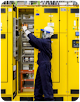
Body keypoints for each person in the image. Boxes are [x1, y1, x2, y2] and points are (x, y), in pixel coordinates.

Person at [22, 26, 54, 102]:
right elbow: (34, 43)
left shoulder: (45, 42)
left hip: (44, 65)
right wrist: (27, 37)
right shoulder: (43, 43)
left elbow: (35, 40)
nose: (42, 34)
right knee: (38, 82)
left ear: (47, 34)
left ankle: (49, 99)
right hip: (41, 65)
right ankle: (38, 98)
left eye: (43, 32)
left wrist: (26, 30)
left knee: (46, 83)